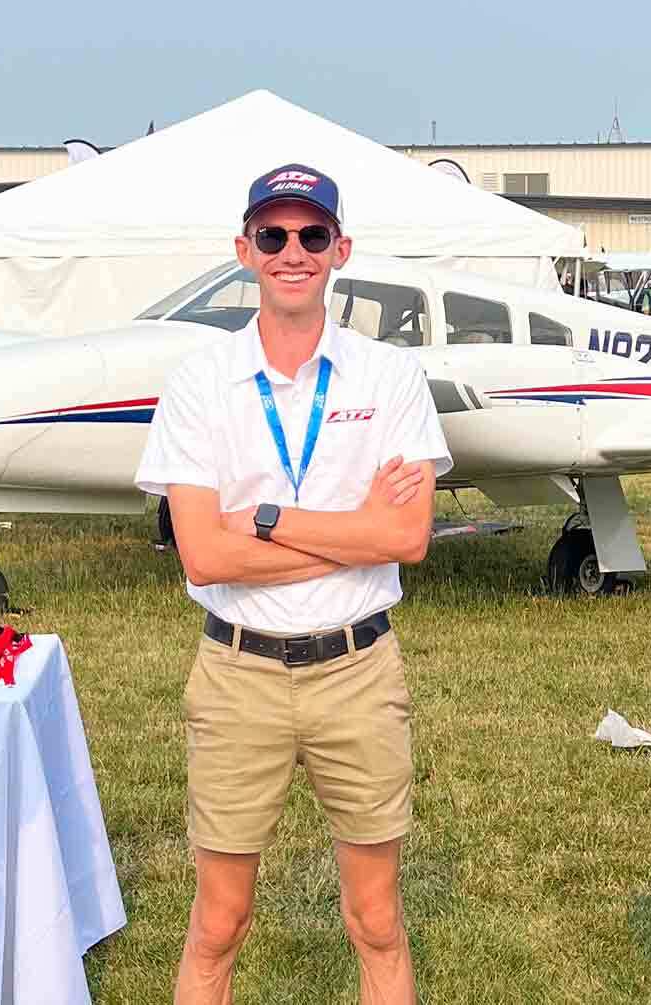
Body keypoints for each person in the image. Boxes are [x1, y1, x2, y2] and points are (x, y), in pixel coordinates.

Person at [135, 163, 451, 1005]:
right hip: (240, 674)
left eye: (312, 235)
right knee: (218, 921)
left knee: (377, 919)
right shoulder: (201, 382)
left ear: (340, 248)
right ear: (245, 250)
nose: (293, 251)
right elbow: (204, 555)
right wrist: (355, 535)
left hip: (358, 670)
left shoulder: (390, 378)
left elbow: (408, 537)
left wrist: (268, 519)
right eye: (273, 236)